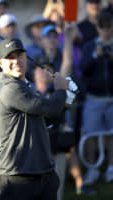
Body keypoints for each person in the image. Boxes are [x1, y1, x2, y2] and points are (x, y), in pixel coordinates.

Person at [0, 38, 69, 200]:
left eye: (19, 55)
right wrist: (61, 91)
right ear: (0, 63)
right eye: (10, 57)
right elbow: (49, 108)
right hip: (18, 177)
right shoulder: (8, 88)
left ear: (26, 57)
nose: (16, 61)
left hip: (42, 173)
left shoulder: (26, 86)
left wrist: (64, 98)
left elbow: (45, 117)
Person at [80, 10, 113, 185]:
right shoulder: (89, 46)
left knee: (111, 136)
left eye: (108, 27)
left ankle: (110, 168)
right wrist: (95, 57)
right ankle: (92, 169)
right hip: (94, 98)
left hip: (112, 99)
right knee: (91, 135)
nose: (106, 31)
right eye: (102, 27)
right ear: (97, 28)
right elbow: (83, 69)